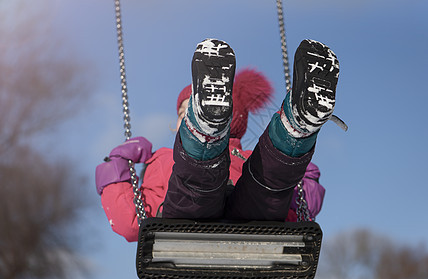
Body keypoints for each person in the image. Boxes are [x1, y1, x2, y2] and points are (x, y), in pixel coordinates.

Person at [96, 38, 335, 242]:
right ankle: (290, 134)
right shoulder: (164, 159)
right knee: (203, 186)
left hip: (244, 229)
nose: (184, 119)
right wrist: (118, 162)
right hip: (186, 225)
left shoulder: (255, 161)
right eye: (184, 114)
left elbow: (294, 214)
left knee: (270, 181)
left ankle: (296, 127)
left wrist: (297, 170)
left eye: (190, 113)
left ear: (234, 119)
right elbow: (131, 222)